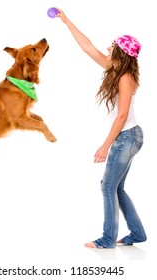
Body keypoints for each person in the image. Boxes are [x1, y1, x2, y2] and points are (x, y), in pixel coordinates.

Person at [55, 8, 147, 248]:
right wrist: (66, 21)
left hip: (127, 136)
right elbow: (88, 47)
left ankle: (107, 240)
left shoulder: (125, 77)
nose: (108, 49)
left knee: (107, 186)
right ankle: (137, 233)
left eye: (112, 46)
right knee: (117, 187)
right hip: (128, 136)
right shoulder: (115, 70)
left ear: (121, 52)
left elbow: (122, 115)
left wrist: (105, 146)